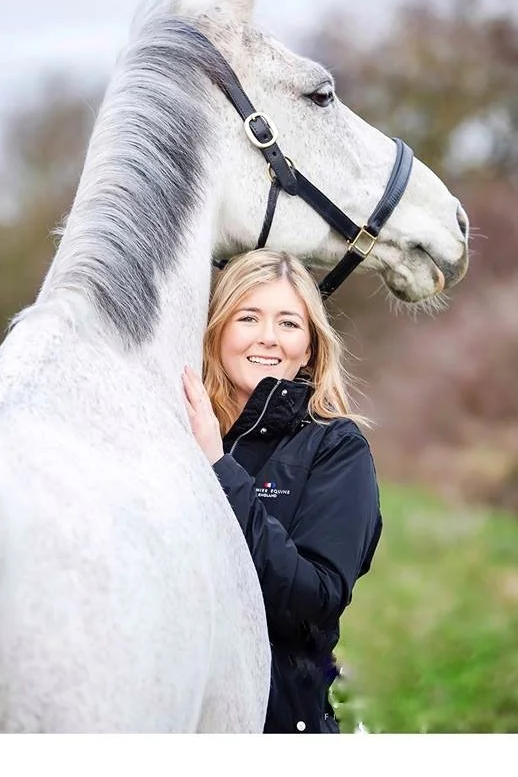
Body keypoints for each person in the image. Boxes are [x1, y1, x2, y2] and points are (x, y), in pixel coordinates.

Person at [182, 249, 382, 734]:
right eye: (248, 317)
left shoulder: (337, 448)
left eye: (289, 323)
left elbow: (315, 598)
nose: (268, 338)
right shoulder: (175, 430)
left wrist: (218, 467)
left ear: (310, 346)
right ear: (218, 331)